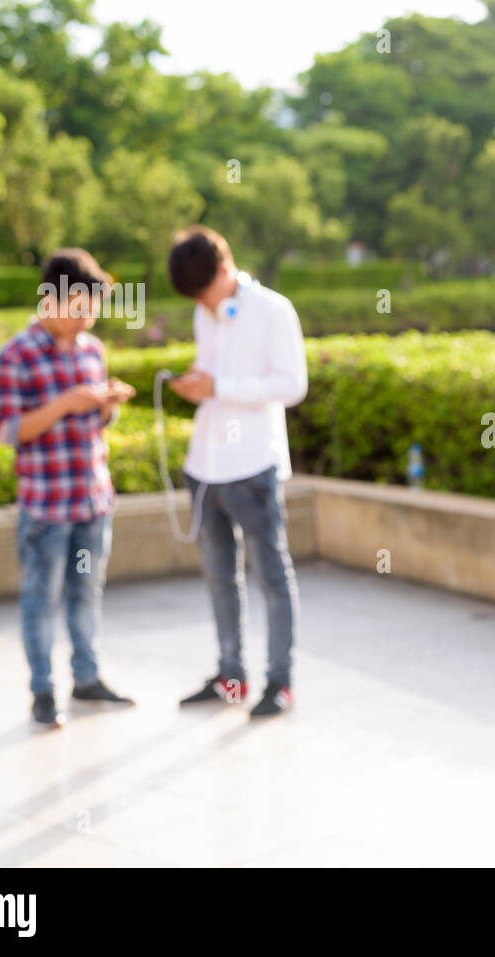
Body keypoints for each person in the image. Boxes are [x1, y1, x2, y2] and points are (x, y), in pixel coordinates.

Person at [0, 249, 137, 728]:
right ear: (51, 299)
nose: (86, 319)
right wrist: (65, 403)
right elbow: (8, 430)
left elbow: (96, 423)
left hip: (92, 499)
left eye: (91, 310)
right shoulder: (16, 354)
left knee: (86, 593)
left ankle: (87, 677)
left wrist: (106, 402)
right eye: (79, 308)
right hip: (46, 506)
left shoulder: (93, 350)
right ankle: (43, 691)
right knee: (40, 599)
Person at [166, 226, 308, 719]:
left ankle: (280, 681)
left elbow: (292, 385)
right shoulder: (204, 314)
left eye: (206, 292)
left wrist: (220, 385)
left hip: (252, 464)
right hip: (205, 464)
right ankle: (230, 674)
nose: (204, 304)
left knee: (272, 574)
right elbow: (214, 375)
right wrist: (199, 383)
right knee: (218, 575)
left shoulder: (273, 310)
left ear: (225, 270)